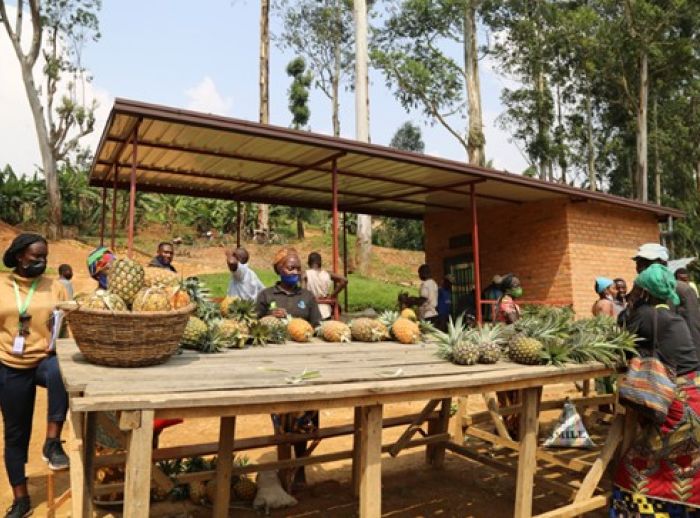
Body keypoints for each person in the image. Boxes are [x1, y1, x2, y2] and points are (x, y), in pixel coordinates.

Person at [611, 264, 700, 516]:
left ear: (645, 291)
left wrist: (633, 307)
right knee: (691, 468)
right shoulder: (674, 318)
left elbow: (620, 347)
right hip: (696, 394)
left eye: (638, 288)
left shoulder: (644, 316)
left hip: (677, 405)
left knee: (635, 468)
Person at [0, 234, 70, 518]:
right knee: (16, 435)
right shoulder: (2, 286)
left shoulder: (55, 287)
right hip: (9, 365)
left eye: (45, 258)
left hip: (43, 361)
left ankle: (52, 442)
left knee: (60, 369)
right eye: (35, 258)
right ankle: (21, 499)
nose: (42, 263)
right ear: (19, 256)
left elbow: (67, 327)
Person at [256, 248, 322, 489]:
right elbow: (254, 326)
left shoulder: (308, 296)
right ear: (279, 270)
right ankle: (285, 469)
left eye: (297, 268)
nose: (295, 271)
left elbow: (318, 327)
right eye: (290, 268)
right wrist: (268, 317)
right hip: (278, 369)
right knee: (282, 420)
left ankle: (301, 468)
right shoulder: (265, 296)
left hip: (305, 367)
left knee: (305, 419)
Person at [495, 274, 525, 438]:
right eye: (516, 284)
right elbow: (514, 322)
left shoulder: (509, 301)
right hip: (507, 350)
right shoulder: (506, 302)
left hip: (511, 347)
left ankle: (510, 424)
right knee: (510, 390)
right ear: (507, 288)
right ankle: (508, 427)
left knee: (510, 391)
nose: (519, 286)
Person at [303, 252, 348, 320]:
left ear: (309, 263)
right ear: (320, 262)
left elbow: (303, 291)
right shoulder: (327, 274)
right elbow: (344, 280)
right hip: (326, 310)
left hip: (311, 310)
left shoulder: (306, 274)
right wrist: (333, 295)